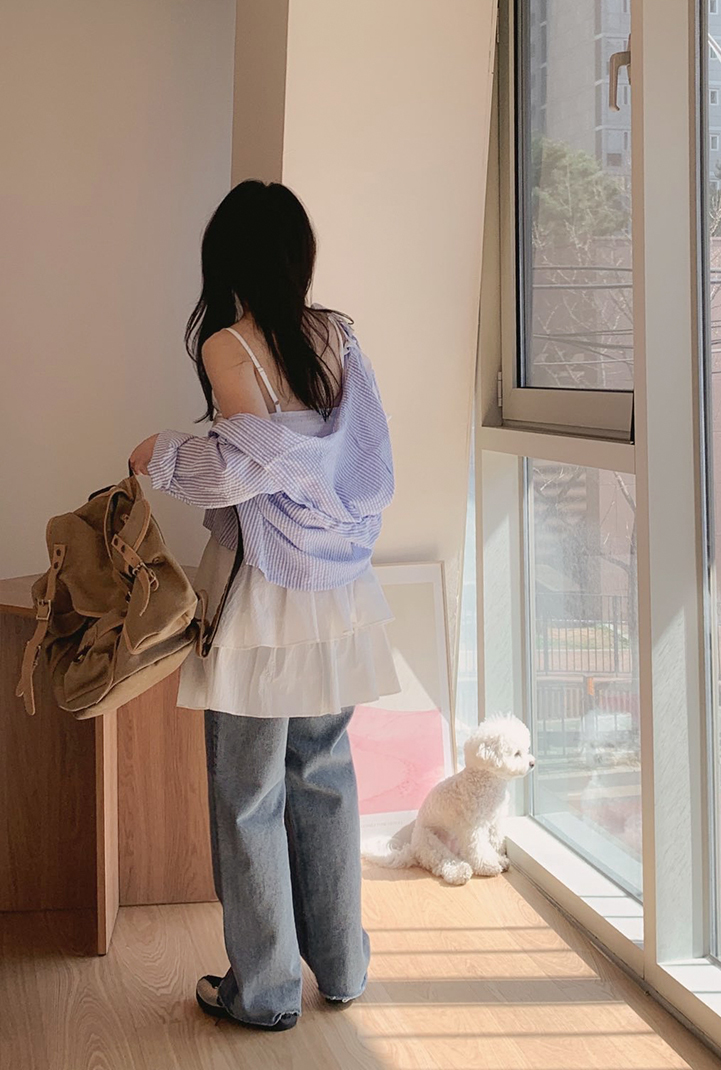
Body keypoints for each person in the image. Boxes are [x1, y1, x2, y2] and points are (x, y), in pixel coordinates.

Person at [128, 180, 400, 1032]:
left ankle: (267, 992)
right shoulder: (335, 334)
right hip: (338, 589)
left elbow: (246, 467)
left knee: (248, 794)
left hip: (262, 595)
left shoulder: (229, 344)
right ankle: (343, 967)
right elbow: (353, 456)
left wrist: (162, 455)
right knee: (324, 774)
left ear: (228, 256)